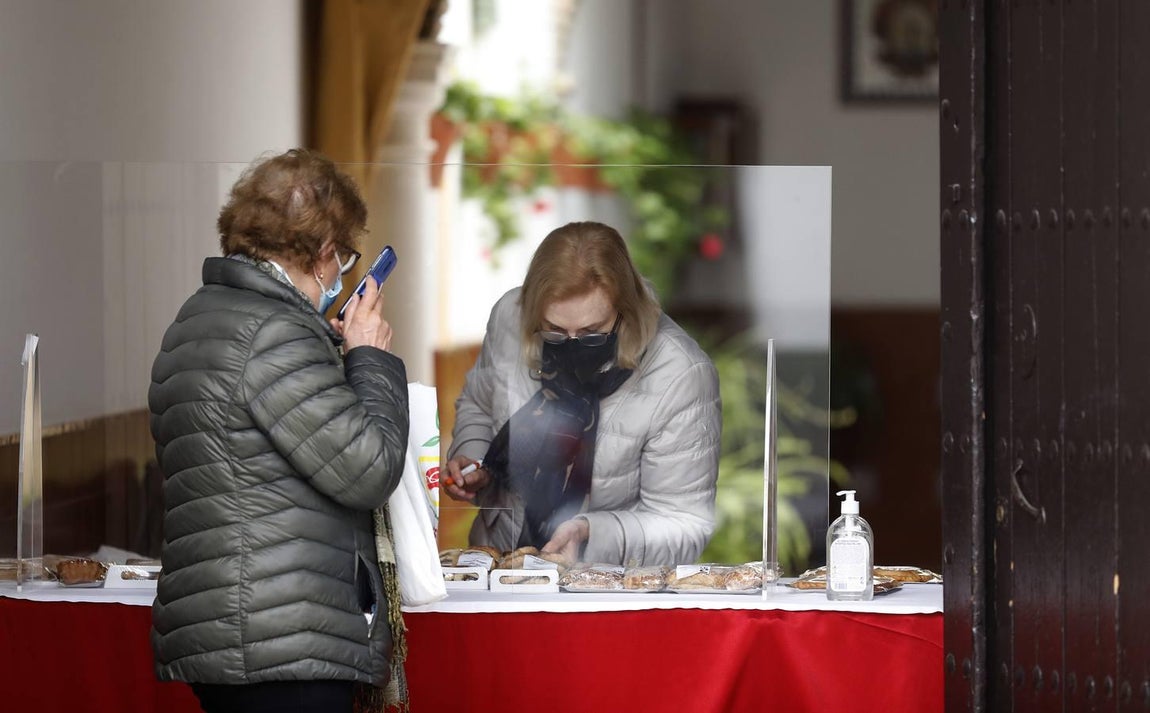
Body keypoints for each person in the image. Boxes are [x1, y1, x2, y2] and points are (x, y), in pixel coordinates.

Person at [148, 149, 410, 713]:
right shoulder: (276, 334)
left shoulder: (199, 318)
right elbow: (369, 468)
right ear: (321, 255)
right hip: (283, 639)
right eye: (342, 255)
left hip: (234, 629)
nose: (341, 271)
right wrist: (369, 359)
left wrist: (329, 351)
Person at [442, 221, 721, 567]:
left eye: (592, 333)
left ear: (626, 313)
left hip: (603, 590)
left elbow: (683, 525)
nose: (572, 346)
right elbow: (480, 405)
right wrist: (475, 461)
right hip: (500, 568)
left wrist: (592, 532)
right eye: (555, 333)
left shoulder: (681, 373)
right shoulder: (509, 319)